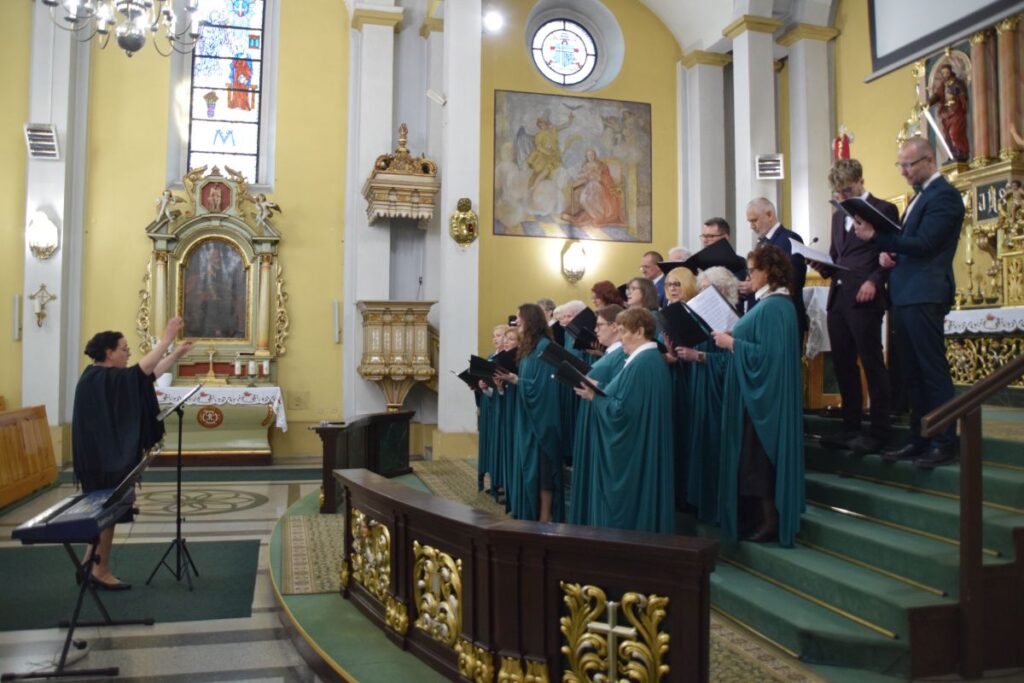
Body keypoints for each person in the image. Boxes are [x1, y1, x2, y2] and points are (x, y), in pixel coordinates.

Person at [853, 138, 965, 468]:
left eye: (908, 165)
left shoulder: (944, 196)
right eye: (900, 165)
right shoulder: (920, 196)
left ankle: (944, 441)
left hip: (925, 293)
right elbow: (910, 244)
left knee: (931, 369)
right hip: (906, 292)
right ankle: (920, 437)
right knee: (911, 372)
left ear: (929, 160)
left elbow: (926, 243)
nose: (902, 171)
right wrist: (891, 254)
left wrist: (877, 238)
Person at [72, 316, 193, 589]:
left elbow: (148, 375)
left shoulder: (103, 377)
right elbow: (143, 371)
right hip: (102, 460)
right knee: (107, 514)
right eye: (124, 349)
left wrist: (176, 354)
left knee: (105, 514)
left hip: (102, 458)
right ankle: (100, 571)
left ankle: (89, 564)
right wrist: (167, 338)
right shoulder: (99, 378)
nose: (128, 354)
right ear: (109, 353)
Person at [713, 246, 804, 546]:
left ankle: (770, 520)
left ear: (769, 271)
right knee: (753, 459)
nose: (748, 276)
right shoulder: (769, 304)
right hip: (756, 395)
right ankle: (760, 518)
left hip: (765, 399)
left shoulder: (775, 307)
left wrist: (731, 344)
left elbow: (769, 357)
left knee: (759, 460)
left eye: (752, 270)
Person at [813, 159, 899, 454]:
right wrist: (821, 265)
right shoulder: (838, 216)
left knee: (872, 362)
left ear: (861, 181)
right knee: (842, 364)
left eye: (847, 191)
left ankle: (879, 430)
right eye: (838, 193)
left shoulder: (883, 209)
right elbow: (837, 256)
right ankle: (850, 427)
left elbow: (892, 251)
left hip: (865, 296)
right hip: (838, 298)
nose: (843, 197)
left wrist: (875, 280)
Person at [575, 308, 675, 533]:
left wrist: (595, 398)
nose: (619, 338)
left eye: (623, 331)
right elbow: (627, 398)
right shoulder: (646, 359)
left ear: (639, 331)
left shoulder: (643, 362)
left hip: (633, 454)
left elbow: (623, 413)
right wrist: (601, 388)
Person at [676, 267, 741, 523]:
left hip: (720, 394)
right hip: (701, 387)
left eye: (706, 290)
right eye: (700, 290)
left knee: (715, 446)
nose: (701, 295)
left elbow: (734, 362)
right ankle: (700, 504)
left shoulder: (733, 319)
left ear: (722, 290)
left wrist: (700, 356)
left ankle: (716, 509)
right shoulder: (702, 318)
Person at [494, 304, 563, 522]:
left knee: (543, 468)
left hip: (542, 418)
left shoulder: (545, 347)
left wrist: (517, 380)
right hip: (528, 414)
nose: (517, 322)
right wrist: (513, 379)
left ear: (530, 320)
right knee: (531, 466)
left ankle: (545, 515)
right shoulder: (529, 347)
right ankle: (530, 511)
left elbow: (544, 386)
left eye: (520, 318)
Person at [567, 305, 626, 526]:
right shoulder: (611, 353)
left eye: (599, 325)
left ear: (615, 326)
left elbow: (615, 391)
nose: (595, 330)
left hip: (602, 419)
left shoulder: (621, 355)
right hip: (593, 415)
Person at [744, 198, 808, 337]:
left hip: (783, 317)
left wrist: (756, 285)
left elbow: (794, 280)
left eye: (754, 220)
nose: (752, 226)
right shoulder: (761, 242)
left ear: (769, 215)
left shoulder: (790, 239)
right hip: (767, 315)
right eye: (750, 222)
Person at [476, 324, 507, 496]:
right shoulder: (490, 357)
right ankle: (493, 478)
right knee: (490, 442)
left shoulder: (507, 359)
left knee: (499, 443)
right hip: (489, 405)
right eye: (494, 336)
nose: (495, 339)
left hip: (501, 406)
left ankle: (501, 481)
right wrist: (481, 386)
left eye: (499, 335)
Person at [928, 63, 969, 162]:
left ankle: (962, 152)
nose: (945, 75)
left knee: (954, 133)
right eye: (943, 73)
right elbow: (937, 95)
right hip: (946, 113)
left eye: (947, 72)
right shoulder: (942, 85)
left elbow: (963, 95)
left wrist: (956, 94)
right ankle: (953, 154)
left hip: (956, 111)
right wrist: (928, 103)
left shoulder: (957, 83)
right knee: (947, 135)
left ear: (951, 72)